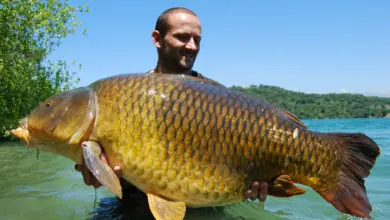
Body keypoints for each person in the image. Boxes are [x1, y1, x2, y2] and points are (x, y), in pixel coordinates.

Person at [75, 7, 268, 210]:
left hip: (203, 209)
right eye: (183, 37)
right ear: (157, 39)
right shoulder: (126, 99)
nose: (192, 46)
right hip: (133, 206)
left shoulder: (217, 98)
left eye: (197, 40)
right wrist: (99, 175)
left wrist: (257, 184)